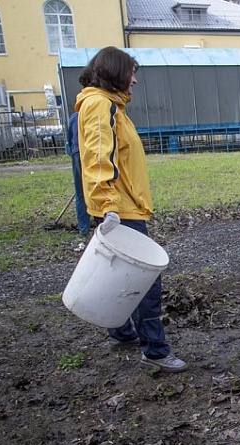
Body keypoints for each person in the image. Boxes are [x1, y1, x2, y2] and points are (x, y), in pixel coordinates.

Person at [75, 46, 187, 373]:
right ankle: (154, 349)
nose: (134, 80)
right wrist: (107, 207)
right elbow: (98, 157)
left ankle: (121, 330)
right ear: (115, 72)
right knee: (146, 281)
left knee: (121, 275)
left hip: (123, 207)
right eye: (131, 73)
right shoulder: (100, 106)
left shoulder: (110, 106)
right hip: (121, 210)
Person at [64, 112, 91, 237]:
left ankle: (84, 228)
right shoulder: (94, 112)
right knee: (97, 190)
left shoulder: (74, 117)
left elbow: (69, 139)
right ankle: (102, 225)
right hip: (90, 151)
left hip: (77, 152)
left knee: (80, 193)